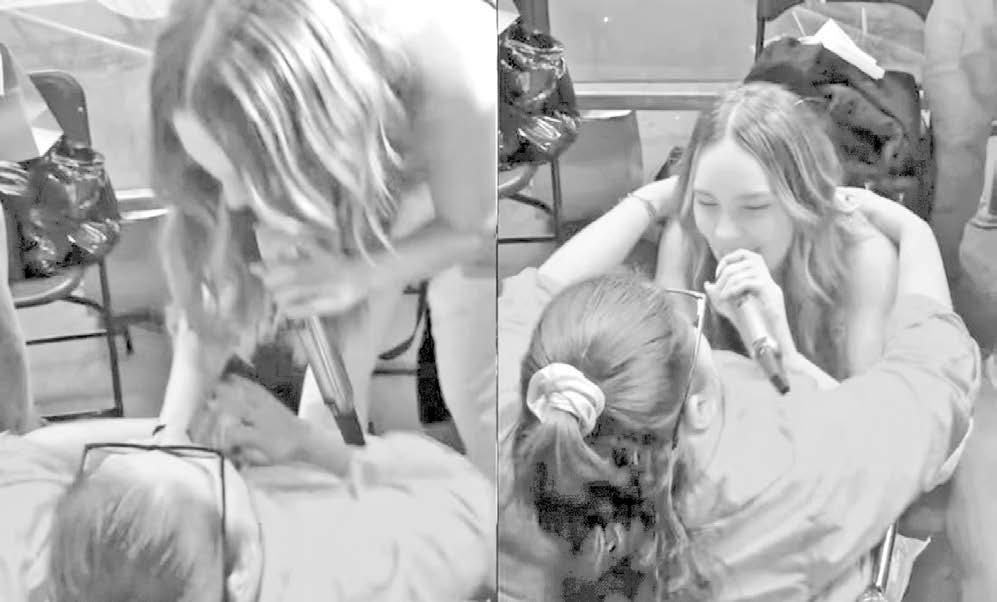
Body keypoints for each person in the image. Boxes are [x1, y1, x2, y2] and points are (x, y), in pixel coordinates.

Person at [497, 180, 979, 599]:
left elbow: (538, 288)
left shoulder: (518, 413)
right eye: (689, 328)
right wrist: (915, 232)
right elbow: (935, 381)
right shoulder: (798, 468)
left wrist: (648, 202)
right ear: (701, 407)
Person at [151, 0, 497, 476]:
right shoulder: (207, 65)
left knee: (473, 381)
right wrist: (169, 435)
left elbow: (472, 230)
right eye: (217, 172)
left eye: (250, 176)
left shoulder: (451, 74)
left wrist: (356, 276)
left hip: (456, 150)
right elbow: (215, 292)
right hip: (345, 148)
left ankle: (500, 496)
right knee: (327, 405)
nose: (235, 201)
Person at [0, 374, 495, 602]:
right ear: (237, 573)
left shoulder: (19, 538)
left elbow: (23, 453)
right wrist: (312, 444)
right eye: (208, 469)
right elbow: (471, 501)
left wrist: (167, 432)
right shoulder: (357, 566)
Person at [655, 82, 898, 380]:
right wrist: (643, 204)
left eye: (754, 207)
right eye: (706, 202)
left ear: (805, 200)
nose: (723, 233)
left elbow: (872, 407)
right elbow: (671, 384)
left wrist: (787, 357)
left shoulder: (863, 258)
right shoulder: (687, 238)